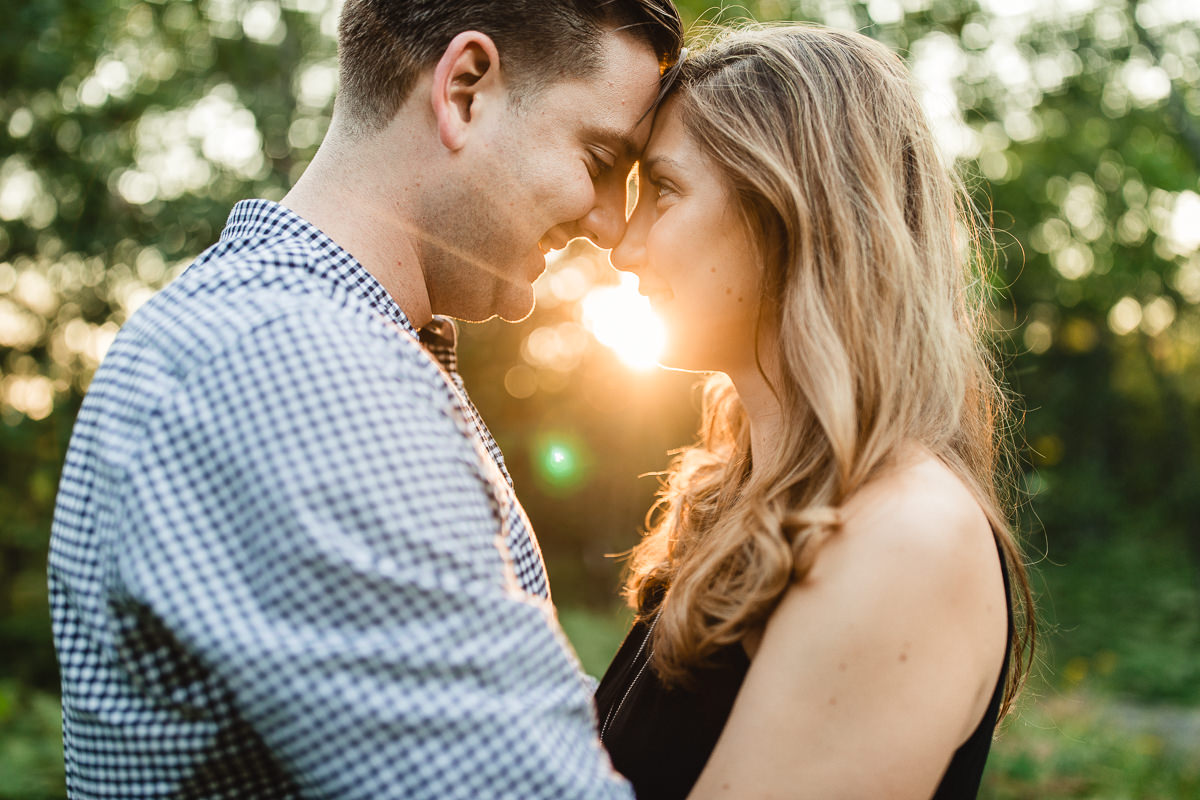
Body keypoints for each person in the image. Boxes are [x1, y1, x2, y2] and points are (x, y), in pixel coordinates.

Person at [48, 1, 681, 797]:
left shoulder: (297, 334)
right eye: (598, 160)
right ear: (465, 91)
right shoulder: (308, 370)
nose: (606, 224)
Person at [596, 24, 1036, 799]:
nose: (623, 248)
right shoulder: (745, 504)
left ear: (791, 209)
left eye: (662, 191)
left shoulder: (904, 537)